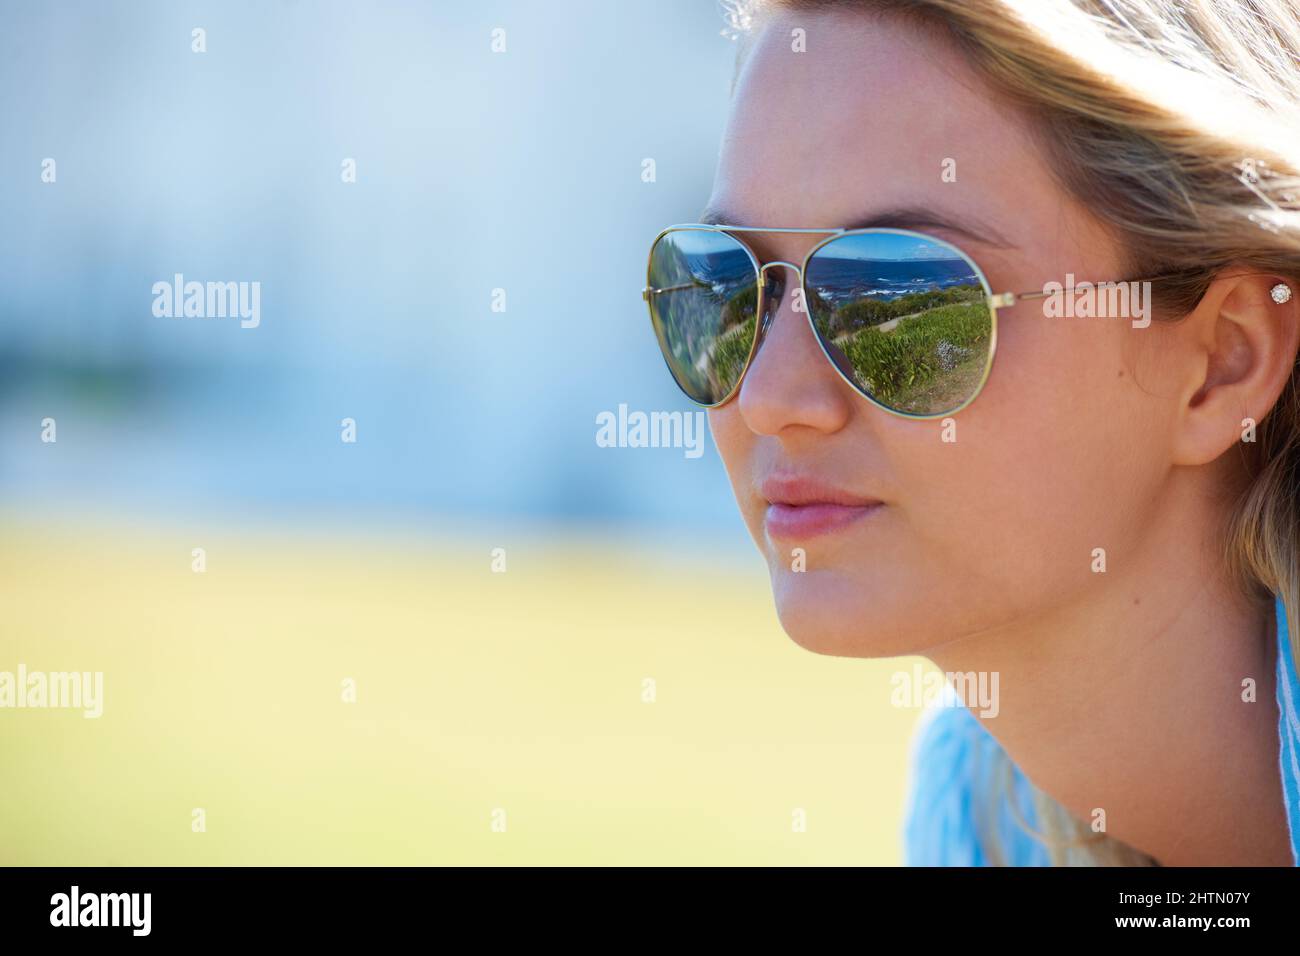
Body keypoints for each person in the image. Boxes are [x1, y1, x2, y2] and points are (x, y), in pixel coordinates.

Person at [644, 0, 1300, 864]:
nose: (769, 397)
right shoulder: (974, 802)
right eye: (726, 287)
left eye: (905, 296)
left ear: (1222, 362)